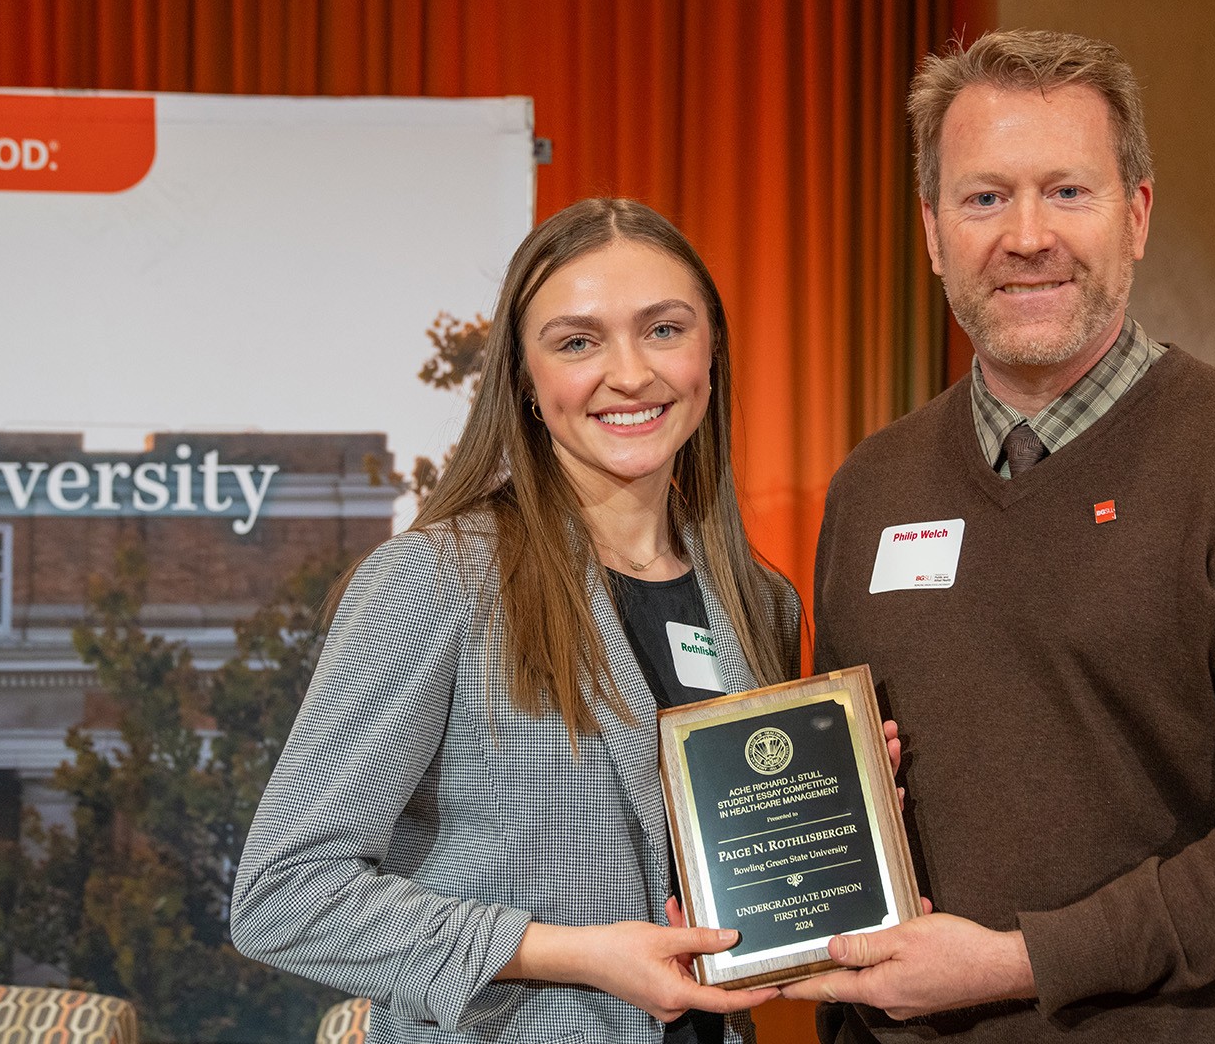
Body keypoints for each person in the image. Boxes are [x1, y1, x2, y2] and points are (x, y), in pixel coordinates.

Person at [781, 29, 1215, 1043]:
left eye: (1067, 192)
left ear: (1138, 215)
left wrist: (1020, 963)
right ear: (936, 233)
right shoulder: (872, 485)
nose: (1027, 235)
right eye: (984, 198)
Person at [231, 198, 802, 1043]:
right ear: (527, 383)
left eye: (664, 330)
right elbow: (284, 893)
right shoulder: (435, 580)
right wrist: (565, 952)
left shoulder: (761, 601)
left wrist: (838, 789)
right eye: (577, 341)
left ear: (710, 355)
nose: (630, 373)